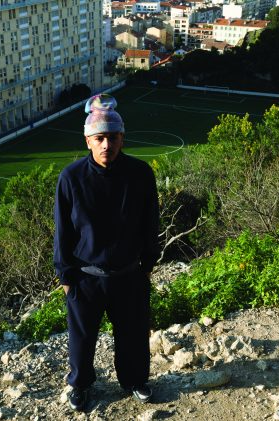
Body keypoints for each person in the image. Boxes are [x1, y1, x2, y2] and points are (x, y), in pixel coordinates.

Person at [54, 94, 161, 411]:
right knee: (82, 339)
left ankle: (135, 380)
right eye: (99, 138)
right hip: (85, 277)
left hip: (129, 273)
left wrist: (147, 264)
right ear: (88, 140)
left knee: (133, 335)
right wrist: (66, 276)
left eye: (113, 137)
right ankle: (80, 385)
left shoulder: (141, 173)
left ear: (122, 138)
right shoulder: (71, 178)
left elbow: (150, 222)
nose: (106, 145)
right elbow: (63, 231)